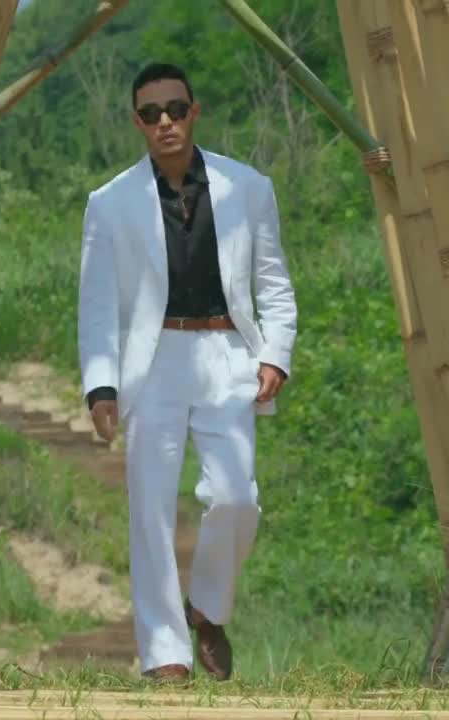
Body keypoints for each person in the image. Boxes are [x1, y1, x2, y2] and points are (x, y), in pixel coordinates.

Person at [76, 62, 297, 683]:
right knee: (150, 508)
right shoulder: (110, 203)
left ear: (194, 112)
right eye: (152, 114)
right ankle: (165, 654)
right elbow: (97, 304)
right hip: (153, 362)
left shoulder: (246, 187)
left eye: (176, 109)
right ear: (138, 123)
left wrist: (275, 352)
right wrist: (101, 385)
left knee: (236, 498)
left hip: (227, 354)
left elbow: (274, 284)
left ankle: (207, 608)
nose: (165, 122)